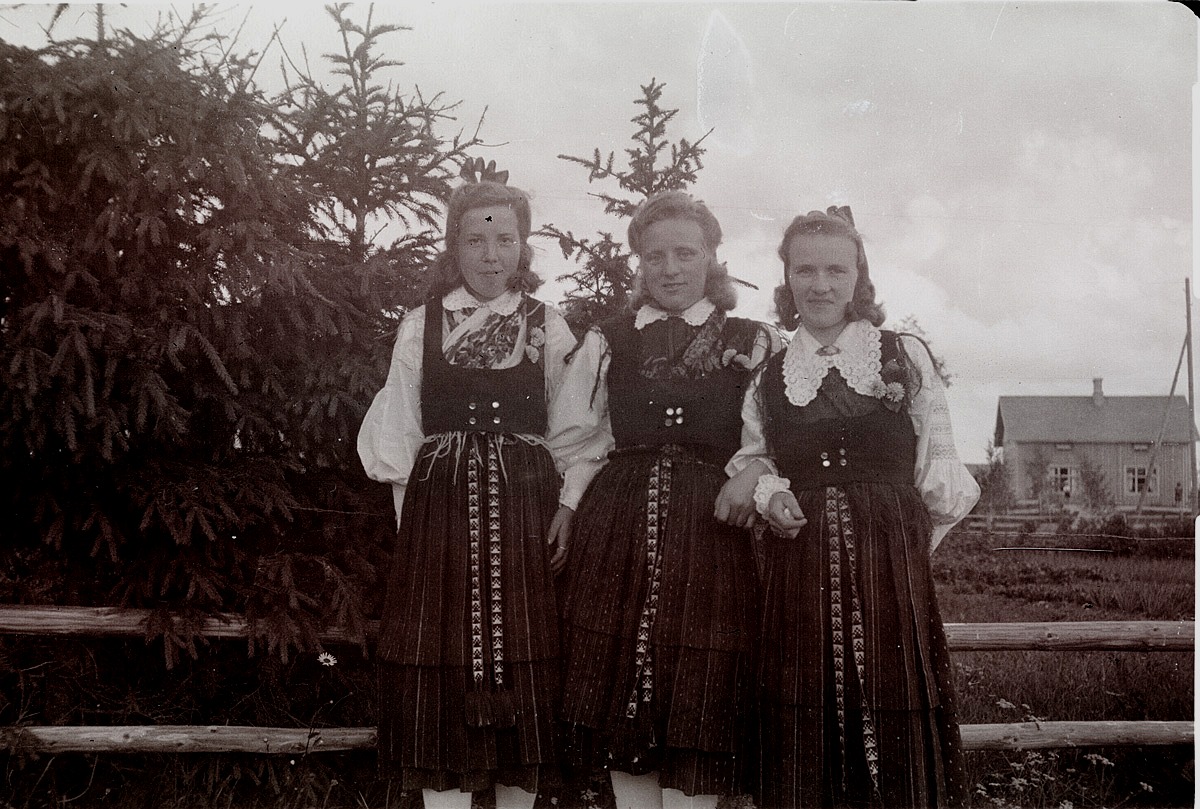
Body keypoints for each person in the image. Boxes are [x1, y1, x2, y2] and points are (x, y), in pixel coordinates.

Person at [358, 161, 596, 809]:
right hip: (440, 521)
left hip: (525, 514)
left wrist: (568, 505)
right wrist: (418, 535)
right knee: (443, 678)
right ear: (454, 247)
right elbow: (399, 434)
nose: (491, 255)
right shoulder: (422, 324)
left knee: (523, 668)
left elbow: (576, 431)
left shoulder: (549, 326)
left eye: (504, 240)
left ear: (522, 245)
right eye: (475, 240)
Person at [728, 207, 980, 808]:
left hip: (889, 564)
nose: (820, 285)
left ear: (858, 277)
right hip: (800, 567)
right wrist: (771, 496)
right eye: (804, 270)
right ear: (786, 279)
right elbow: (751, 460)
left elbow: (942, 479)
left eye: (835, 270)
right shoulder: (768, 376)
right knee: (803, 712)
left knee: (893, 704)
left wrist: (900, 548)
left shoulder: (904, 356)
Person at [556, 191, 783, 809]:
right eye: (655, 256)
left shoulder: (753, 339)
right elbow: (580, 441)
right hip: (619, 530)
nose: (671, 268)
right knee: (623, 684)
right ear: (639, 263)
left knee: (697, 687)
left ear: (711, 257)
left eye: (686, 252)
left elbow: (778, 435)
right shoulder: (609, 341)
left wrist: (753, 472)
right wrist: (572, 506)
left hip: (713, 533)